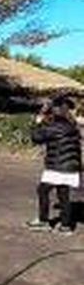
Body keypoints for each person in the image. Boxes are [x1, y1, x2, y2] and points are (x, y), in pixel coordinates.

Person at [26, 95, 82, 234]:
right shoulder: (72, 125)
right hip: (71, 166)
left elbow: (36, 137)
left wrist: (38, 122)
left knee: (43, 190)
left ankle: (43, 221)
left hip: (57, 166)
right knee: (63, 194)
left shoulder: (54, 125)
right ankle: (66, 226)